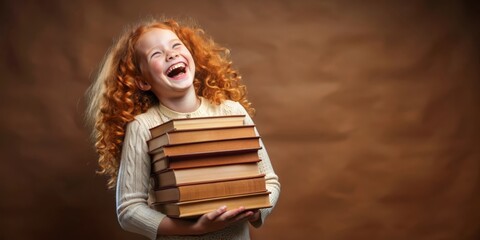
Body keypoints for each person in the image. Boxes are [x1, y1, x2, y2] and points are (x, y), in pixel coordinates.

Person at [85, 17, 280, 239]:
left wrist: (256, 212)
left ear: (192, 56)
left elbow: (270, 181)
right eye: (156, 54)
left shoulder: (233, 111)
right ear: (143, 82)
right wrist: (195, 229)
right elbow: (128, 210)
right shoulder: (143, 126)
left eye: (176, 45)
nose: (171, 54)